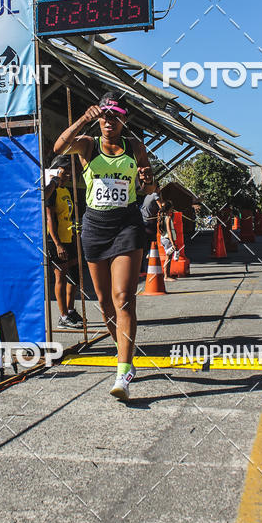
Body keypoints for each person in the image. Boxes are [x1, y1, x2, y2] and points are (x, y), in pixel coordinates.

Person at [53, 91, 154, 401]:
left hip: (127, 224)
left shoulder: (135, 147)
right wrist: (84, 117)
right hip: (95, 228)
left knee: (123, 298)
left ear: (123, 120)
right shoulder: (88, 144)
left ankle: (124, 370)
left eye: (115, 115)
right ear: (98, 118)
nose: (109, 120)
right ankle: (120, 344)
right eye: (104, 115)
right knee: (104, 302)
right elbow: (58, 146)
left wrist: (147, 179)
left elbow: (149, 186)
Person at [44, 155, 82, 329]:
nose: (68, 175)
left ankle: (71, 309)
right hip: (56, 240)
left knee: (75, 275)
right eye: (65, 172)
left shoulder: (66, 190)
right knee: (60, 276)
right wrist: (57, 244)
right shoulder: (51, 191)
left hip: (69, 238)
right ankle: (63, 316)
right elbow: (49, 219)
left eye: (69, 172)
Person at [139, 181, 161, 272]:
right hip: (149, 222)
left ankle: (141, 268)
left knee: (144, 245)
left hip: (143, 221)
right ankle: (151, 263)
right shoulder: (155, 194)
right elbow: (161, 206)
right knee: (153, 243)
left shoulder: (148, 195)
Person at [158, 201, 178, 282]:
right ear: (169, 209)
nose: (172, 210)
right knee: (168, 258)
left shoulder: (163, 217)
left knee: (169, 257)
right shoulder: (167, 218)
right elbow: (169, 231)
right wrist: (173, 243)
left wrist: (172, 215)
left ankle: (167, 274)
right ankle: (166, 276)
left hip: (164, 238)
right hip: (168, 239)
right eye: (172, 208)